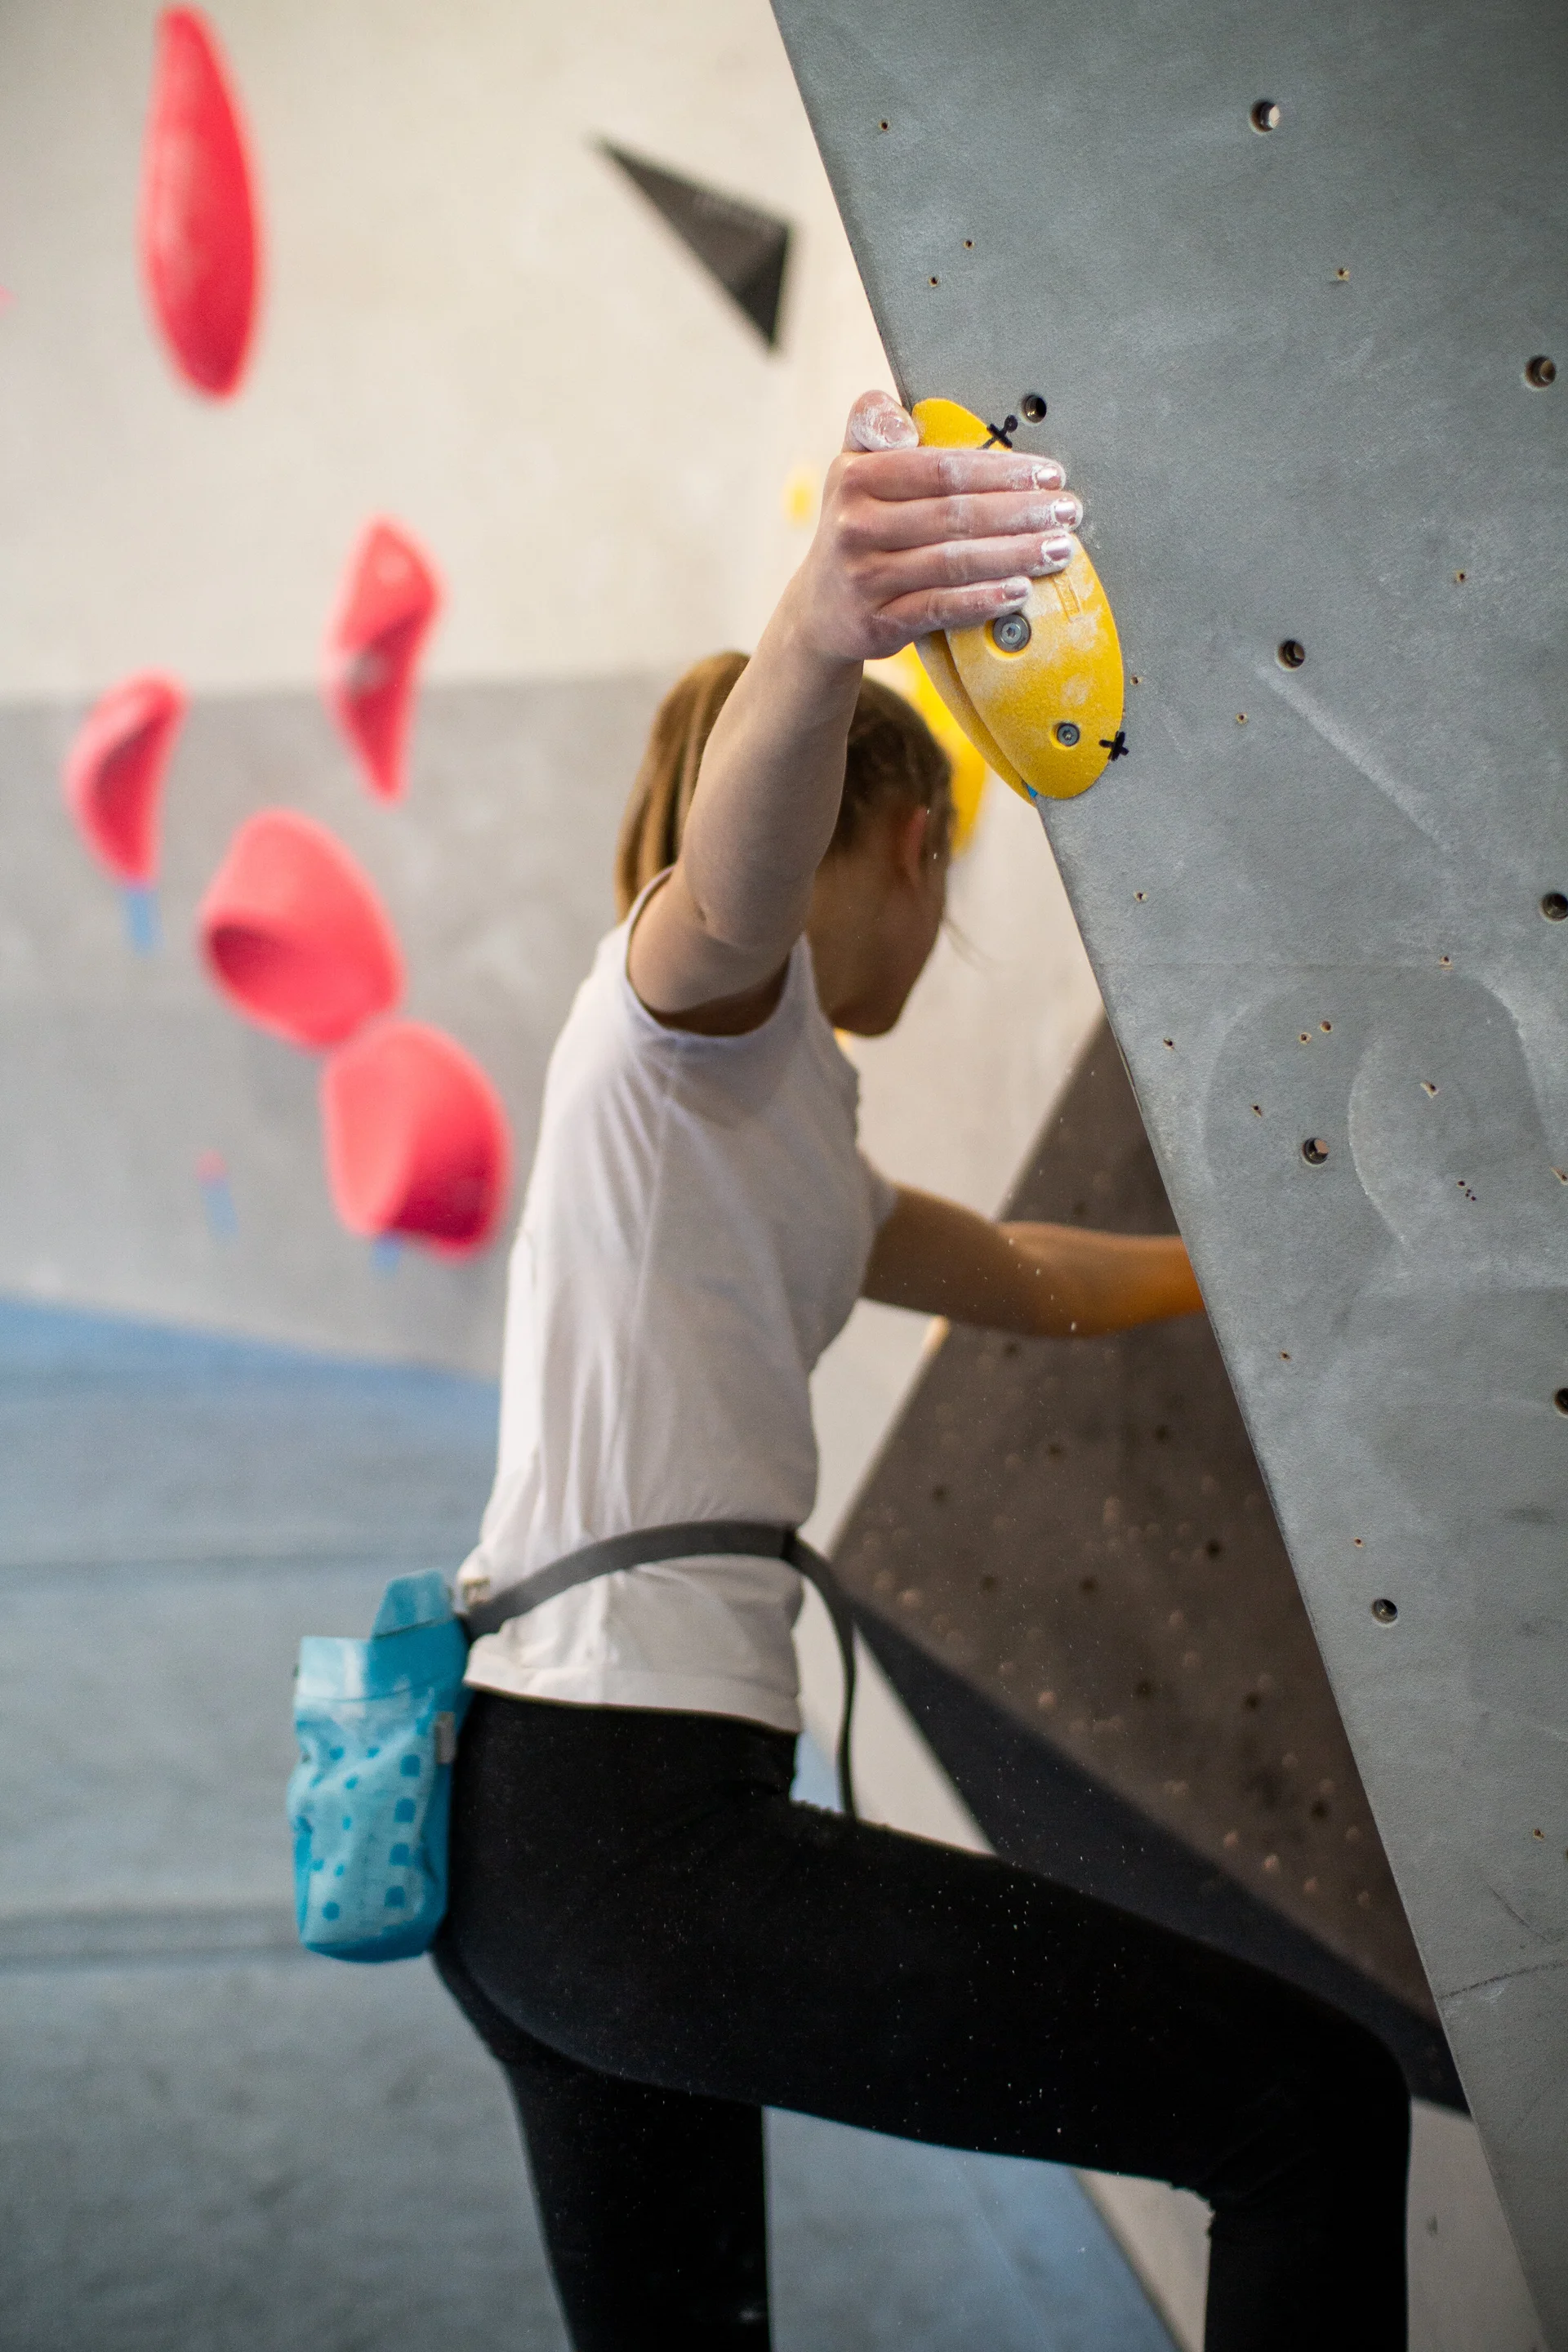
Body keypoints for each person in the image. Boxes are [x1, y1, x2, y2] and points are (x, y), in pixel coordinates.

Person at [434, 392, 1410, 2351]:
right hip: (632, 1837)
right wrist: (818, 631)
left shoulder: (777, 1129)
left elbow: (1030, 1271)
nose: (935, 922)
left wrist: (1268, 1265)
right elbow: (730, 885)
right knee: (1308, 2107)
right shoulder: (691, 1027)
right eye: (940, 874)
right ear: (908, 840)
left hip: (542, 1845)